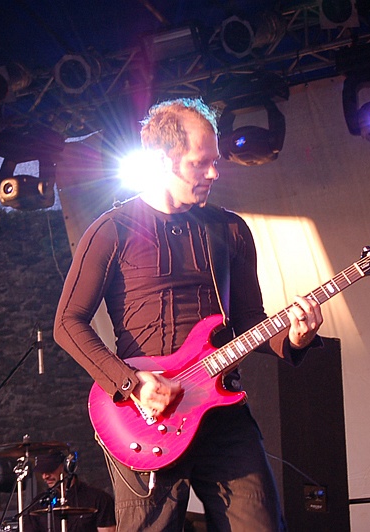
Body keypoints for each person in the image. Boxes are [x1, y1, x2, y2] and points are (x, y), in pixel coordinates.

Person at [53, 98, 323, 531]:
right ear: (162, 161)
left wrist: (294, 337)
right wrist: (131, 383)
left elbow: (251, 320)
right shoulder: (111, 230)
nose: (214, 173)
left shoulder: (230, 229)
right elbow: (67, 323)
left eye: (214, 162)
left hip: (222, 412)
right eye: (201, 163)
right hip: (145, 415)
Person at [24, 450, 116, 532]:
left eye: (50, 470)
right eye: (42, 472)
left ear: (66, 466)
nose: (45, 476)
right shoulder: (37, 504)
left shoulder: (99, 500)